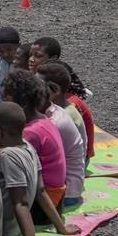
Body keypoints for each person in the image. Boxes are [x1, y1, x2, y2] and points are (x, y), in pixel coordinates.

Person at [0, 102, 80, 236]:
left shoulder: (8, 156)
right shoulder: (28, 146)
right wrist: (61, 227)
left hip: (6, 228)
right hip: (14, 225)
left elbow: (20, 203)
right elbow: (41, 190)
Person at [0, 70, 67, 221]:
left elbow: (8, 155)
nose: (1, 104)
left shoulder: (31, 133)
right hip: (55, 198)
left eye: (5, 100)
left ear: (23, 104)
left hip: (41, 206)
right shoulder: (42, 120)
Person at [36, 62, 86, 207]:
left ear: (54, 90)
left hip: (67, 192)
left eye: (37, 85)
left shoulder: (58, 120)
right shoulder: (56, 108)